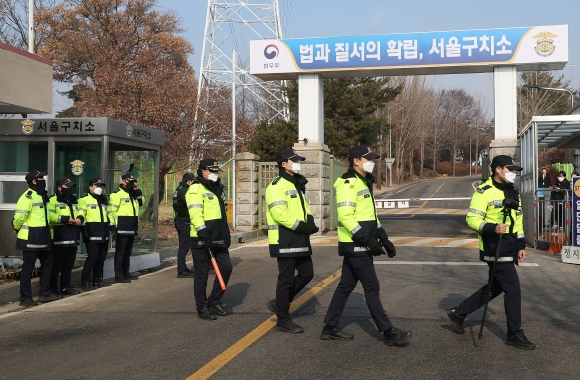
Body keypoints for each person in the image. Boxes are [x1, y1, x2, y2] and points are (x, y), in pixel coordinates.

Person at [321, 145, 412, 346]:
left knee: (345, 285)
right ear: (356, 161)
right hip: (355, 243)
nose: (371, 162)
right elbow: (345, 217)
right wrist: (368, 240)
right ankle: (388, 332)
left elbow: (370, 216)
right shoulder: (348, 183)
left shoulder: (363, 182)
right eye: (367, 159)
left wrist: (383, 237)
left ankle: (329, 327)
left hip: (360, 242)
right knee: (372, 287)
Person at [446, 155, 535, 350]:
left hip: (510, 245)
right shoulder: (484, 192)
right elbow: (471, 219)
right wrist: (492, 228)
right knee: (513, 288)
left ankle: (459, 313)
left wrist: (521, 244)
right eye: (509, 170)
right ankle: (514, 333)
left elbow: (517, 220)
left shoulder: (512, 191)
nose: (512, 174)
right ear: (498, 170)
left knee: (495, 287)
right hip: (494, 246)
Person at [265, 148, 319, 334]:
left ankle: (280, 302)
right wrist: (303, 227)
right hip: (285, 238)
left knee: (307, 273)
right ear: (283, 164)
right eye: (294, 160)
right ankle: (283, 318)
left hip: (299, 237)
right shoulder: (276, 186)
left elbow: (305, 207)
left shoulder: (297, 183)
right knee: (286, 279)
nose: (297, 163)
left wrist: (310, 220)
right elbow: (280, 214)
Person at [186, 158, 233, 320]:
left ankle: (215, 300)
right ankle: (202, 307)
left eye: (215, 172)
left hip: (218, 237)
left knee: (226, 267)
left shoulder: (217, 188)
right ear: (203, 171)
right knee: (202, 274)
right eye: (211, 171)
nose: (214, 174)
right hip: (202, 238)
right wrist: (203, 233)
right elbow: (195, 213)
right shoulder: (195, 189)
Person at [12, 170, 61, 307]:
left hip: (43, 237)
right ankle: (25, 297)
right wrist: (15, 227)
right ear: (34, 181)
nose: (43, 180)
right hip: (30, 238)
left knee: (48, 263)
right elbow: (19, 217)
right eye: (40, 178)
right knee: (28, 268)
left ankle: (45, 293)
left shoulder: (43, 196)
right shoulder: (27, 197)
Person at [48, 178, 83, 295]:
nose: (69, 189)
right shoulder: (52, 200)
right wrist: (66, 219)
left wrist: (80, 219)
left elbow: (80, 212)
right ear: (59, 188)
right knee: (56, 266)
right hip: (59, 238)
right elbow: (50, 217)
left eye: (70, 187)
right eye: (67, 186)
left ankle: (65, 287)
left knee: (68, 265)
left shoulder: (74, 200)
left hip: (72, 236)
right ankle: (53, 288)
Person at [108, 173, 143, 283]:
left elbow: (141, 203)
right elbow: (111, 212)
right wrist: (113, 226)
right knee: (120, 253)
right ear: (123, 182)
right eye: (129, 182)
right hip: (122, 228)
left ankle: (126, 272)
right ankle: (119, 275)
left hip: (132, 227)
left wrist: (138, 192)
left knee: (127, 253)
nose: (132, 184)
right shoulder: (116, 194)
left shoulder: (133, 194)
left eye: (133, 182)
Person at [78, 178, 111, 289]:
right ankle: (85, 281)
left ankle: (97, 280)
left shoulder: (103, 200)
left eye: (100, 186)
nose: (99, 188)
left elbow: (108, 214)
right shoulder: (84, 200)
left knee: (101, 258)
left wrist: (112, 227)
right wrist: (84, 231)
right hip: (91, 231)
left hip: (103, 231)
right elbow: (81, 214)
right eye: (96, 186)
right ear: (90, 187)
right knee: (92, 257)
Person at [173, 173, 197, 278]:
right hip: (184, 221)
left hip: (180, 220)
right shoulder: (185, 191)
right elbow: (189, 204)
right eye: (193, 181)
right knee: (184, 247)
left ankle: (184, 269)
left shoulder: (179, 189)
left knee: (184, 246)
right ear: (189, 181)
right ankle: (181, 271)